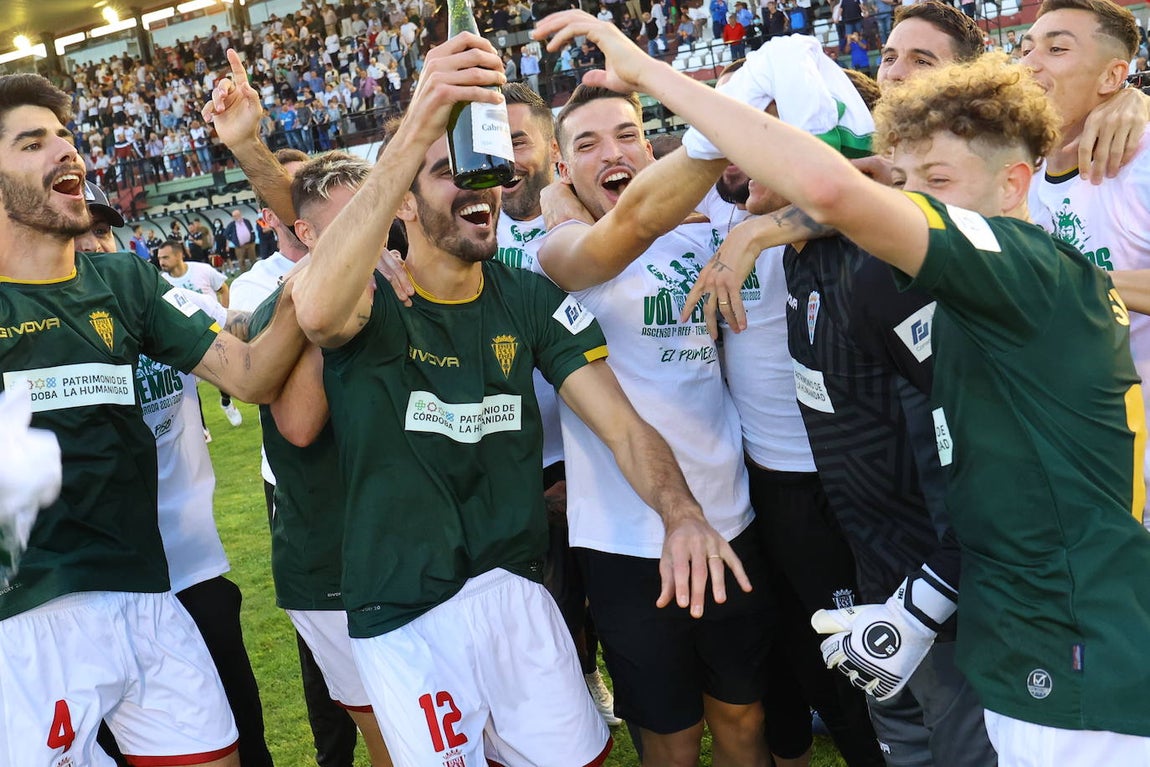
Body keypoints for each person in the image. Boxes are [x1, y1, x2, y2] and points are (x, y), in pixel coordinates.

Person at [535, 8, 1150, 763]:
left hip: (1079, 663)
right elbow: (993, 492)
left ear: (1014, 183)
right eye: (906, 177)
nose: (908, 197)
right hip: (1021, 633)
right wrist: (918, 608)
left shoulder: (1020, 271)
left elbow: (832, 186)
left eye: (938, 180)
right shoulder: (966, 296)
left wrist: (652, 73)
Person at [215, 32, 748, 767]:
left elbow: (623, 426)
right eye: (446, 172)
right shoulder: (365, 294)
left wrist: (682, 514)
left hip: (516, 589)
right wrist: (415, 124)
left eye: (483, 169)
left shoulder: (527, 295)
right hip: (405, 609)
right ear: (403, 193)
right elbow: (315, 314)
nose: (477, 187)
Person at [0, 72, 306, 767]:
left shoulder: (125, 281)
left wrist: (303, 285)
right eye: (32, 142)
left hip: (146, 592)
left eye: (66, 136)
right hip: (25, 621)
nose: (66, 152)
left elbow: (251, 374)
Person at [534, 85, 771, 767]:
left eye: (626, 134)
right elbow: (623, 231)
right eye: (587, 143)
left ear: (649, 145)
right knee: (668, 739)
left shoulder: (706, 232)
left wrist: (762, 227)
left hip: (731, 516)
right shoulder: (561, 254)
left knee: (743, 718)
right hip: (625, 542)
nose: (612, 152)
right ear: (563, 168)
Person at [75, 189, 276, 767]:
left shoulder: (161, 300)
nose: (92, 245)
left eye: (104, 233)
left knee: (243, 745)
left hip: (194, 571)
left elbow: (240, 329)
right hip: (104, 590)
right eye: (76, 233)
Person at [1022, 0, 1150, 523]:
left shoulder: (1141, 159)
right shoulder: (1009, 173)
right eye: (1025, 47)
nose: (1030, 63)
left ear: (1112, 76)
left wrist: (1068, 282)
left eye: (1056, 49)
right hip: (1070, 472)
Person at [157, 238, 244, 429]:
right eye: (159, 258)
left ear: (179, 255)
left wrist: (223, 313)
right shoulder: (162, 282)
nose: (161, 262)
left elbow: (223, 288)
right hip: (186, 341)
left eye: (165, 257)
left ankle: (226, 401)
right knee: (189, 386)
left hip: (213, 334)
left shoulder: (201, 270)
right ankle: (202, 428)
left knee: (225, 372)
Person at [226, 208, 258, 273]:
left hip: (250, 244)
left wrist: (253, 238)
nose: (236, 217)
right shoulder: (231, 225)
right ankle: (244, 274)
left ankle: (256, 272)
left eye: (237, 215)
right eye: (234, 216)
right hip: (239, 246)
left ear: (240, 214)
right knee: (241, 261)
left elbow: (251, 230)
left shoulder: (246, 221)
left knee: (253, 259)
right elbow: (226, 234)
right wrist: (233, 240)